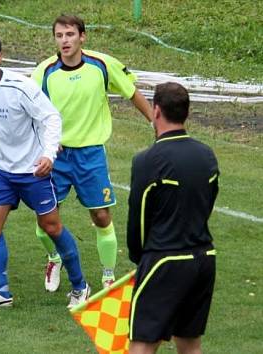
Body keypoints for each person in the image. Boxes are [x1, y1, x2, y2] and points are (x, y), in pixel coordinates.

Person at [0, 32, 90, 309]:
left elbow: (50, 117)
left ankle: (80, 286)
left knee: (51, 226)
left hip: (33, 170)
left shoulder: (20, 87)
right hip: (1, 170)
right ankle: (1, 292)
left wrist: (48, 155)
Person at [31, 14, 153, 291]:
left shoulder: (101, 65)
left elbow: (132, 92)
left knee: (101, 215)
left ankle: (107, 275)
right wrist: (44, 140)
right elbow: (29, 108)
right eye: (59, 35)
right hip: (55, 157)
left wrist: (155, 123)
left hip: (91, 156)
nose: (65, 40)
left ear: (82, 37)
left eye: (70, 35)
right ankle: (54, 258)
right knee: (45, 218)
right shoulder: (44, 71)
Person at [127, 82, 218, 354]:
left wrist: (139, 257)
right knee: (189, 343)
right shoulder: (207, 155)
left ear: (155, 111)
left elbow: (139, 218)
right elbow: (208, 202)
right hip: (204, 259)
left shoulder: (148, 160)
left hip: (164, 261)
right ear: (187, 113)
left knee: (143, 342)